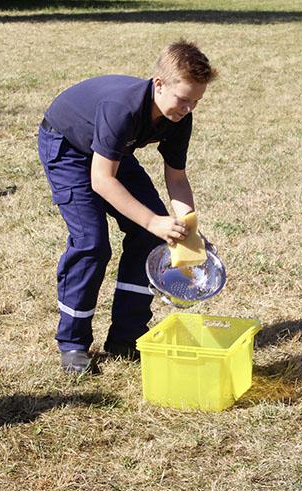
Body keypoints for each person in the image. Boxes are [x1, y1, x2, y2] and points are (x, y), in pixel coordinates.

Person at [37, 39, 218, 375]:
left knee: (151, 238)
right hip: (69, 147)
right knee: (91, 244)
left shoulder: (180, 116)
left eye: (196, 102)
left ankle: (126, 335)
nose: (188, 108)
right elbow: (102, 181)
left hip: (111, 151)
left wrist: (187, 228)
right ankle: (74, 344)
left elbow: (176, 178)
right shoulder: (121, 108)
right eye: (184, 99)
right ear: (159, 84)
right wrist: (153, 220)